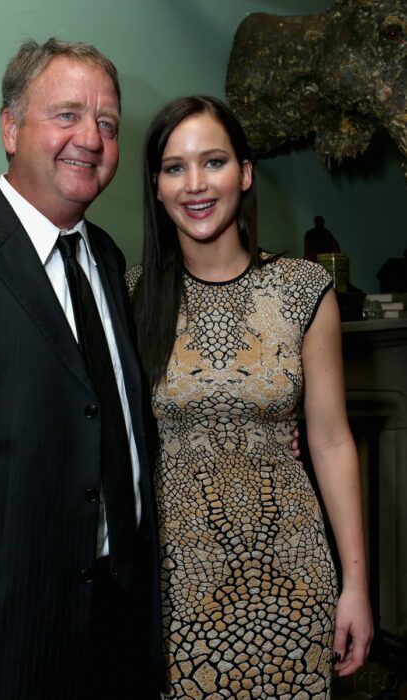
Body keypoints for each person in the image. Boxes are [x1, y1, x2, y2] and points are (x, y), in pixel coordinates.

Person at [0, 38, 162, 700]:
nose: (91, 139)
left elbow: (106, 418)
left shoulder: (104, 256)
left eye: (106, 121)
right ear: (10, 128)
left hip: (116, 635)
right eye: (67, 114)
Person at [126, 96, 373, 698]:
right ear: (155, 187)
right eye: (174, 167)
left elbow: (332, 438)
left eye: (212, 162)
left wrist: (357, 588)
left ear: (245, 171)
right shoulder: (128, 295)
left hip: (294, 573)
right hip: (178, 584)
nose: (195, 184)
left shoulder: (302, 289)